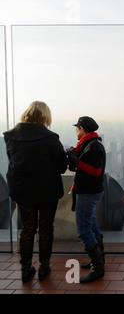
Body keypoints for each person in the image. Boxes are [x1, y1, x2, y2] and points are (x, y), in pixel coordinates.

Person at [3, 101, 67, 282]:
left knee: (27, 228)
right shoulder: (50, 138)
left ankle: (25, 268)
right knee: (46, 228)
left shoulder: (10, 136)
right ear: (45, 117)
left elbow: (13, 160)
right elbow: (62, 166)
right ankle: (44, 267)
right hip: (47, 190)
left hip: (22, 190)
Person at [67, 116, 106, 283]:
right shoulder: (86, 144)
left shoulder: (94, 146)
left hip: (89, 192)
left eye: (77, 128)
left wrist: (78, 161)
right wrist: (75, 157)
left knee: (83, 230)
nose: (76, 131)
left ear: (82, 129)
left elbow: (97, 171)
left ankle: (97, 268)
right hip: (89, 191)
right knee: (91, 224)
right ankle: (99, 260)